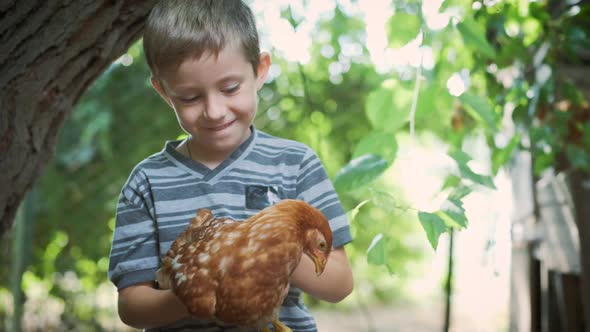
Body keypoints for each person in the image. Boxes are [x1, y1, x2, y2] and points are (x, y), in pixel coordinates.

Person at [107, 1, 354, 331]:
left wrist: (272, 252)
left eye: (230, 88)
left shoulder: (295, 164)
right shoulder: (148, 183)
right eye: (191, 97)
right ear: (164, 92)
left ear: (260, 70)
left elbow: (339, 284)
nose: (214, 110)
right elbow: (132, 307)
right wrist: (196, 292)